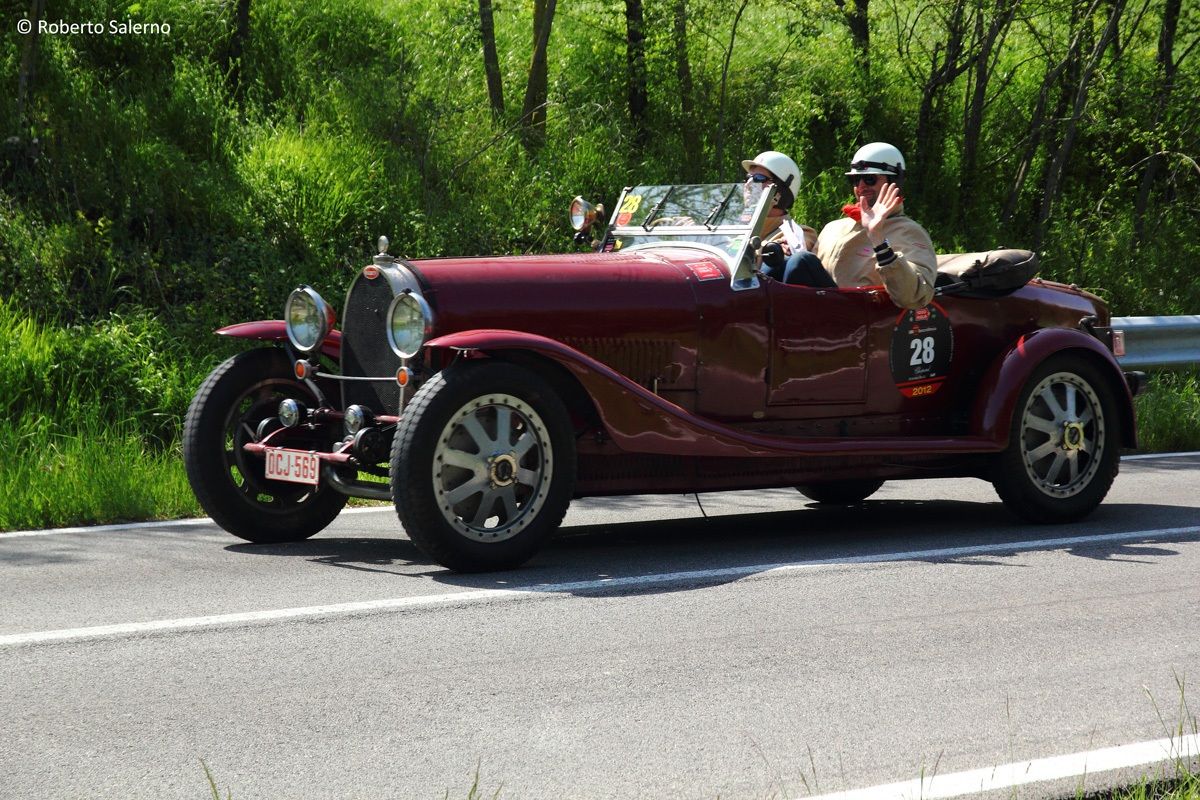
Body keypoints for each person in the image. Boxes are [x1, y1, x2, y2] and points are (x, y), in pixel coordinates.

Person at [809, 142, 937, 309]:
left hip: (859, 323)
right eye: (855, 179)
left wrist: (877, 237)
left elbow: (914, 297)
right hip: (817, 316)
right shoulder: (832, 228)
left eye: (870, 179)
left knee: (800, 261)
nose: (861, 186)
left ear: (894, 181)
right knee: (796, 262)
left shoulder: (909, 231)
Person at [741, 151, 835, 288]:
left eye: (758, 178)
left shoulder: (798, 232)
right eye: (747, 177)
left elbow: (799, 251)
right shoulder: (728, 228)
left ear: (779, 193)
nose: (748, 184)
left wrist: (776, 250)